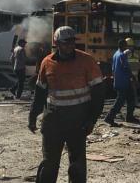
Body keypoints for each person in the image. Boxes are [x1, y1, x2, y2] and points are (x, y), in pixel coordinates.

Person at [29, 26, 105, 183]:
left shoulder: (86, 61)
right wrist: (32, 115)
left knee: (77, 164)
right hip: (53, 121)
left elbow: (98, 94)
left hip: (78, 121)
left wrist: (92, 119)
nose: (70, 46)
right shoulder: (47, 62)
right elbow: (40, 92)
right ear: (56, 43)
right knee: (49, 163)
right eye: (65, 43)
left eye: (72, 42)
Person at [104, 39, 140, 127]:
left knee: (130, 98)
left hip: (119, 81)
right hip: (123, 82)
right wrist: (134, 78)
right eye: (126, 45)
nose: (127, 47)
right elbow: (126, 68)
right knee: (120, 101)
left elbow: (113, 68)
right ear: (123, 46)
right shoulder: (122, 55)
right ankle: (109, 118)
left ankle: (129, 117)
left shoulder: (115, 54)